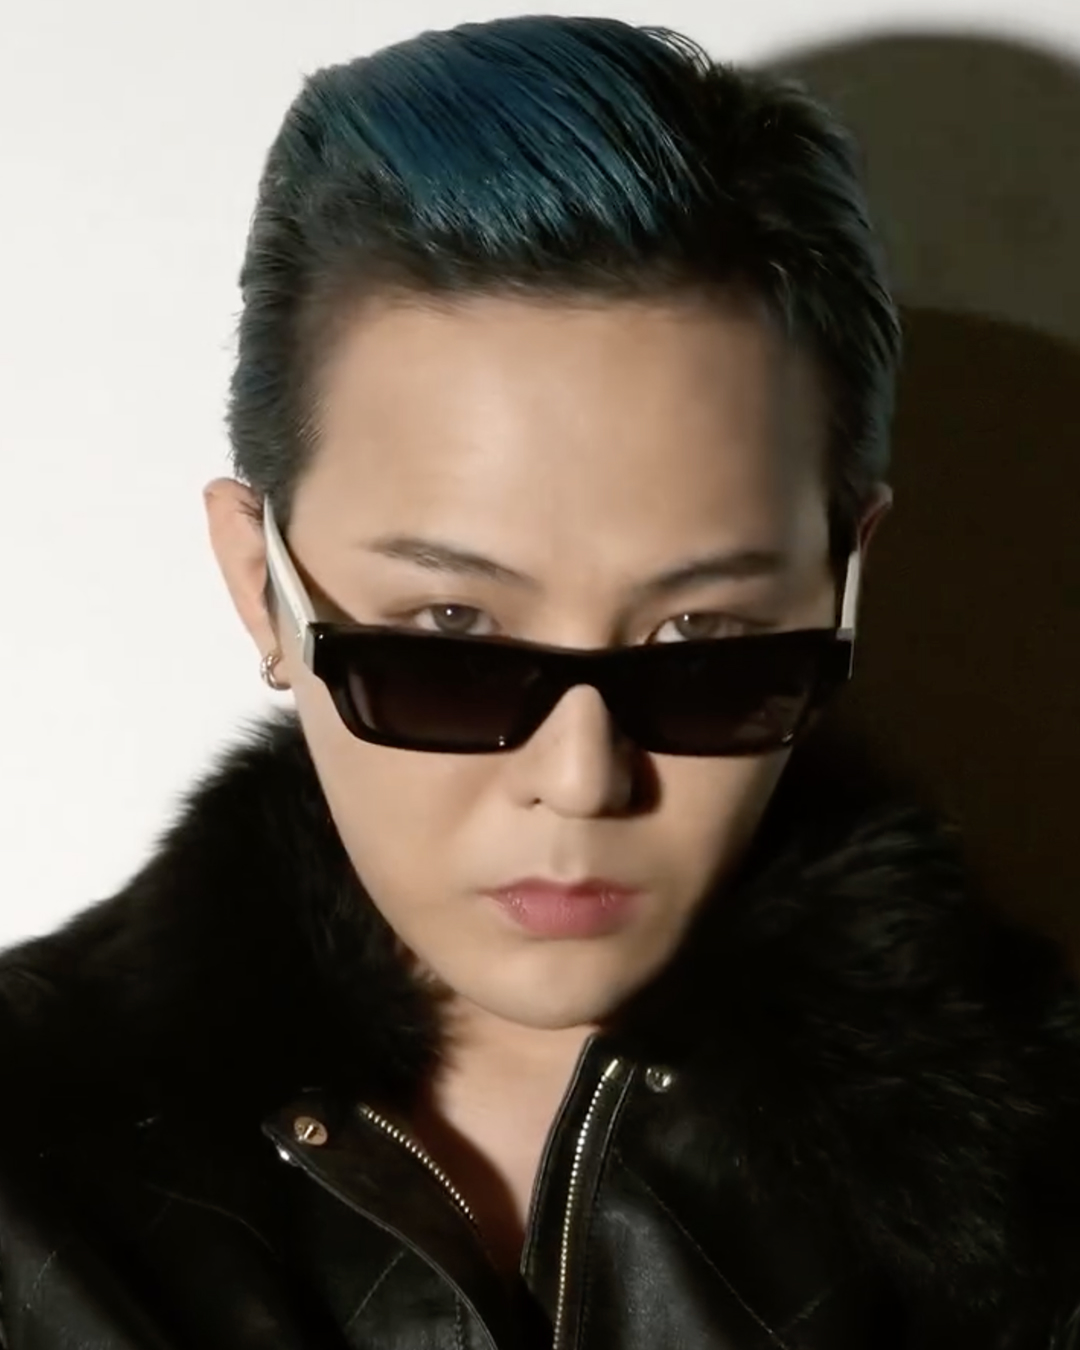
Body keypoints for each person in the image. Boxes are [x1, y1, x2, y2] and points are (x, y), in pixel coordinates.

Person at [0, 14, 1077, 1348]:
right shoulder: (30, 1184)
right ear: (256, 582)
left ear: (844, 588)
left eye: (701, 640)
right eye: (450, 633)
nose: (581, 777)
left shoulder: (1046, 1186)